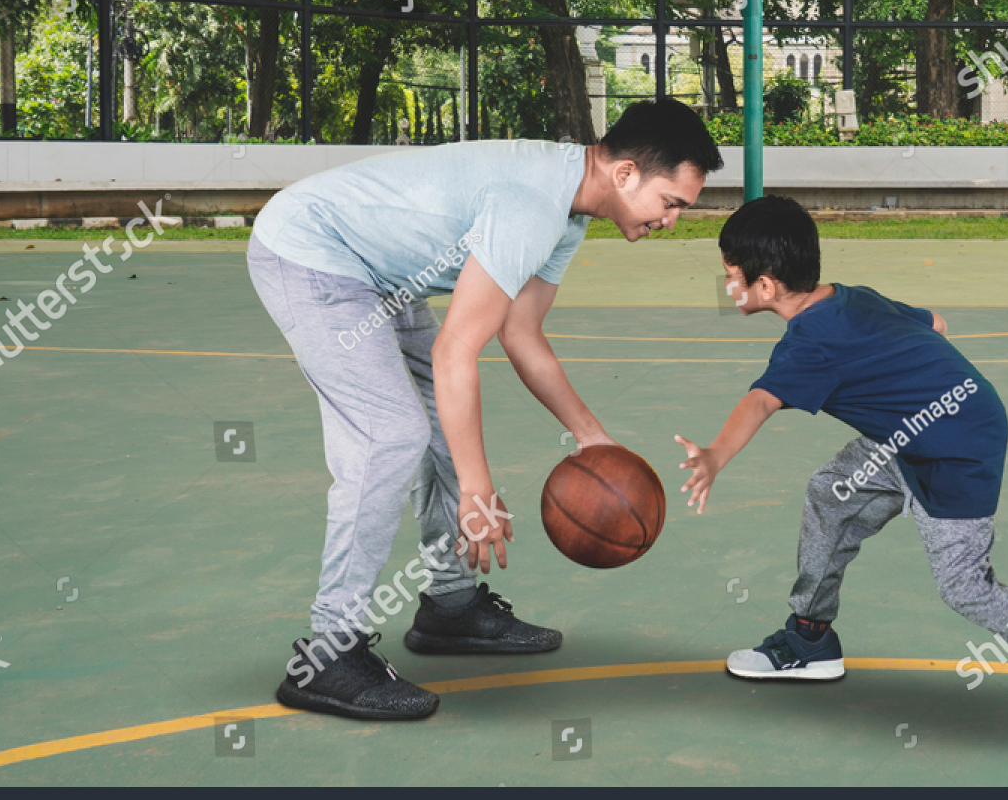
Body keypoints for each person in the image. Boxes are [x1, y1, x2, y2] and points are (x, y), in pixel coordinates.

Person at [247, 99, 722, 721]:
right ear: (626, 174)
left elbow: (520, 333)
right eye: (672, 203)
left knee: (445, 428)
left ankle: (450, 606)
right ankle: (329, 653)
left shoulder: (566, 214)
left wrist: (591, 437)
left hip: (376, 275)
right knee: (389, 436)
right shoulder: (531, 204)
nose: (672, 221)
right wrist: (476, 491)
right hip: (312, 254)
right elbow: (455, 351)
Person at [673, 196, 1008, 744]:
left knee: (964, 585)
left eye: (733, 277)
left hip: (955, 448)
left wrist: (712, 456)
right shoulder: (850, 299)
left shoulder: (810, 343)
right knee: (832, 494)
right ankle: (809, 637)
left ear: (769, 285)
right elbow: (936, 323)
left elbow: (758, 401)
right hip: (906, 437)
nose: (727, 286)